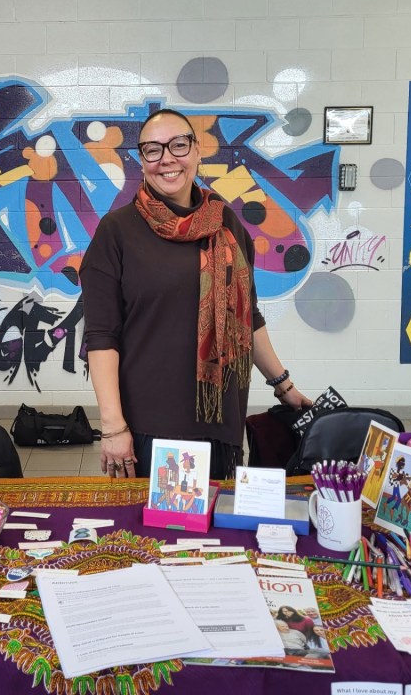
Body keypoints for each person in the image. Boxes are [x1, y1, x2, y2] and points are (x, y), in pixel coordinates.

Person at [80, 108, 312, 480]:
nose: (167, 158)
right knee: (155, 535)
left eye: (178, 145)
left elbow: (247, 317)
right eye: (153, 149)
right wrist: (113, 427)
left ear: (197, 151)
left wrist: (284, 386)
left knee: (216, 534)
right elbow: (101, 337)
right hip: (149, 425)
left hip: (220, 418)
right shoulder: (117, 232)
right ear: (142, 161)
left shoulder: (226, 223)